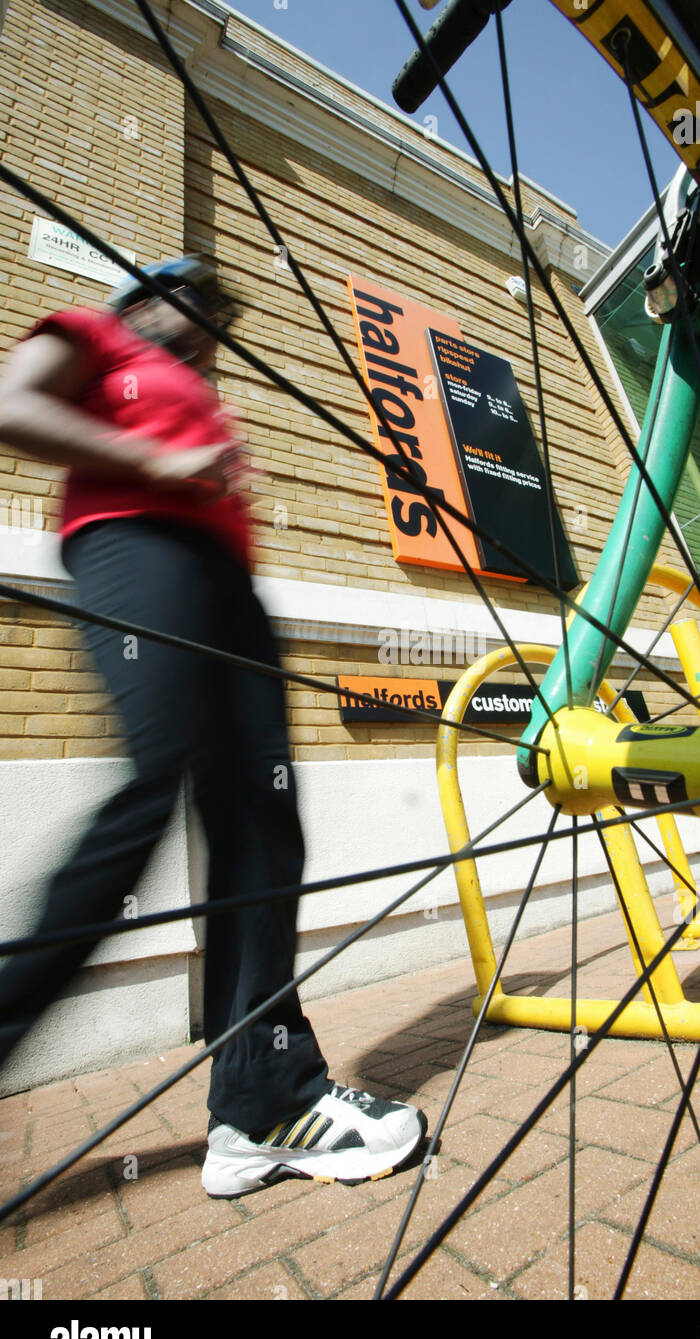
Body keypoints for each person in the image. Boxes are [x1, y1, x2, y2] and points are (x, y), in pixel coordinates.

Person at [0, 257, 425, 1197]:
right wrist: (160, 460)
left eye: (222, 315)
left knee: (262, 826)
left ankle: (261, 1106)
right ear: (143, 299)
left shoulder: (199, 389)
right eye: (195, 300)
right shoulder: (96, 334)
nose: (210, 324)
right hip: (134, 544)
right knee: (154, 789)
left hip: (231, 589)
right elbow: (10, 405)